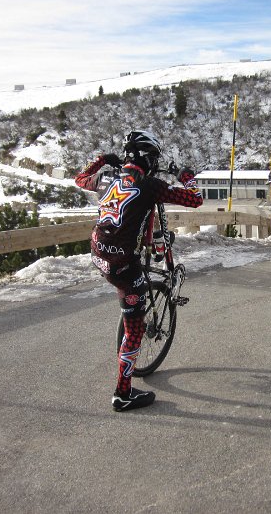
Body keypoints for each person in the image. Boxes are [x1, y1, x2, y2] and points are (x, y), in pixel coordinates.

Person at [75, 130, 203, 412]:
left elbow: (80, 178)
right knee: (135, 329)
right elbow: (195, 199)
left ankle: (149, 255)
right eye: (154, 159)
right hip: (123, 266)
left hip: (98, 254)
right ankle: (123, 394)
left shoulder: (107, 177)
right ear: (148, 158)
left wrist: (102, 160)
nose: (156, 164)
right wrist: (186, 176)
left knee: (132, 278)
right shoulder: (150, 185)